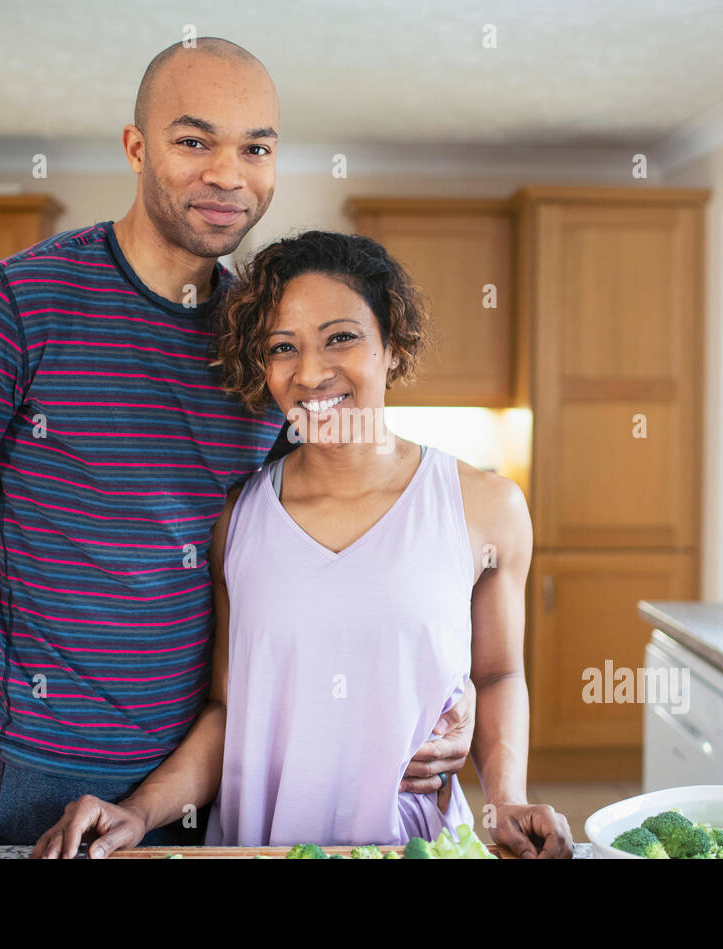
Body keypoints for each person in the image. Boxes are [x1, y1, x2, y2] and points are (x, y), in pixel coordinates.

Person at [0, 38, 474, 857]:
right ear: (136, 147)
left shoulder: (266, 349)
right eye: (195, 141)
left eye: (255, 147)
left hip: (207, 764)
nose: (229, 173)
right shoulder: (19, 303)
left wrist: (451, 687)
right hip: (37, 762)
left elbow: (316, 557)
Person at [31, 231, 573, 859]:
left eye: (340, 337)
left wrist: (505, 799)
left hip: (412, 848)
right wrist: (138, 812)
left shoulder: (485, 507)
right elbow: (230, 712)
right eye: (283, 348)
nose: (311, 373)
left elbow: (499, 672)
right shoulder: (236, 520)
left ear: (391, 347)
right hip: (257, 848)